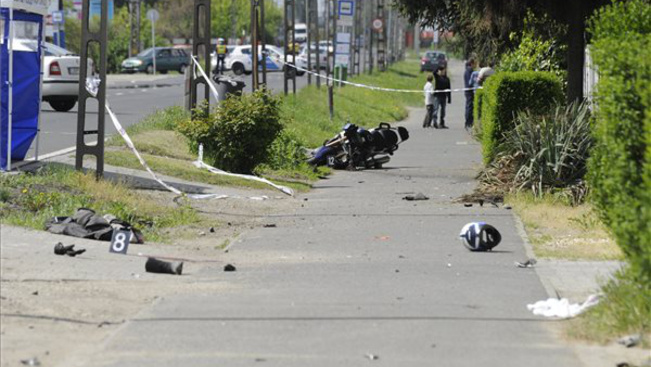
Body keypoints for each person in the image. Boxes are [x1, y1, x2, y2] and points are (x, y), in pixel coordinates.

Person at [463, 58, 477, 130]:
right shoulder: (470, 71)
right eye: (474, 63)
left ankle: (468, 122)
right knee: (469, 107)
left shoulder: (467, 70)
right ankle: (468, 122)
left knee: (469, 106)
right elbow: (470, 82)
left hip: (468, 91)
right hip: (469, 91)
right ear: (471, 63)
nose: (475, 65)